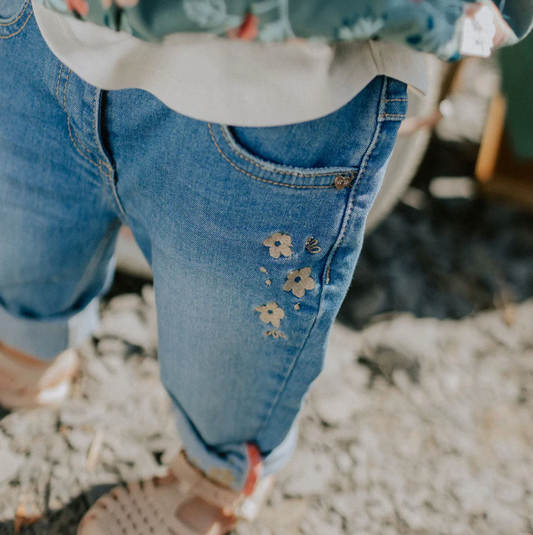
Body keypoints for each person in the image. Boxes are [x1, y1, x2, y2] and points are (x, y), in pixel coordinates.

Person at [0, 1, 529, 534]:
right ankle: (27, 335)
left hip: (272, 93)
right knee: (25, 221)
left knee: (230, 349)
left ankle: (215, 475)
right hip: (41, 30)